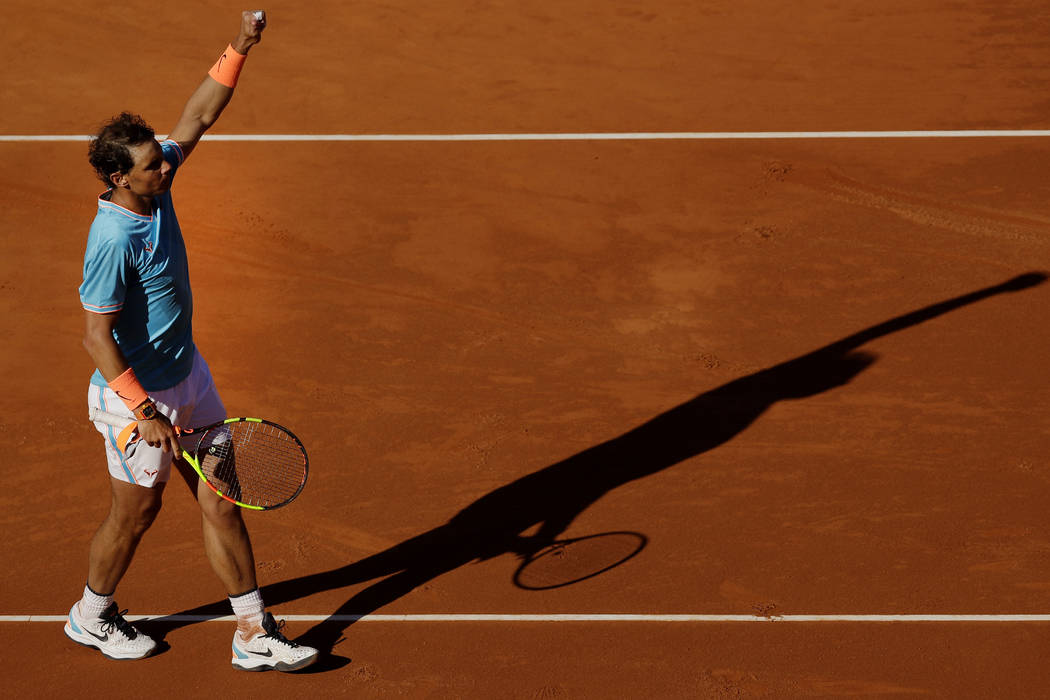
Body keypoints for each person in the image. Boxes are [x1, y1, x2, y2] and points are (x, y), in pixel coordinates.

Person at [66, 10, 318, 672]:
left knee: (221, 498)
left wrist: (239, 45)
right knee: (136, 515)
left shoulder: (156, 184)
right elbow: (95, 335)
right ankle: (91, 614)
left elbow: (198, 116)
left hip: (189, 376)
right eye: (152, 166)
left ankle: (252, 631)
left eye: (160, 158)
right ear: (120, 178)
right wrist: (145, 411)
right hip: (134, 400)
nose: (166, 167)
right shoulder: (113, 239)